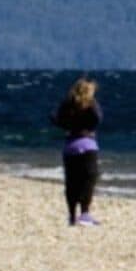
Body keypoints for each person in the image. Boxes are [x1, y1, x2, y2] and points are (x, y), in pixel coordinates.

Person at [51, 76, 104, 225]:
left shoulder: (68, 106)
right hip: (88, 145)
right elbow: (98, 119)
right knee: (89, 179)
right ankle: (85, 213)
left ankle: (72, 216)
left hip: (70, 146)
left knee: (72, 182)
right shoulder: (91, 106)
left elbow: (55, 118)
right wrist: (92, 103)